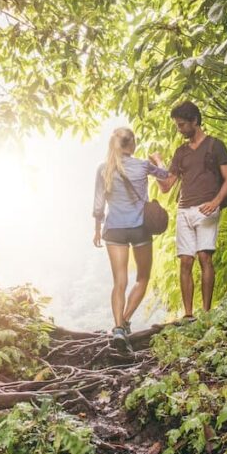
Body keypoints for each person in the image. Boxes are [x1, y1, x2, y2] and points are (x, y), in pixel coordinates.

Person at [153, 101, 227, 319]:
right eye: (177, 125)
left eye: (181, 125)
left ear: (194, 121)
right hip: (184, 211)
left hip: (207, 208)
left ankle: (206, 312)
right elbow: (167, 185)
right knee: (186, 260)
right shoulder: (181, 152)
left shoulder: (215, 145)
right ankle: (188, 315)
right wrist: (157, 165)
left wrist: (216, 202)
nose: (179, 130)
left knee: (204, 257)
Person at [92, 127, 169, 349]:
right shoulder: (143, 166)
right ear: (132, 144)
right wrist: (158, 160)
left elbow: (98, 205)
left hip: (114, 229)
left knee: (119, 281)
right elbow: (165, 179)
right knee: (142, 278)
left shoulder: (103, 169)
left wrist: (97, 229)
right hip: (139, 229)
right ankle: (124, 322)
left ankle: (117, 328)